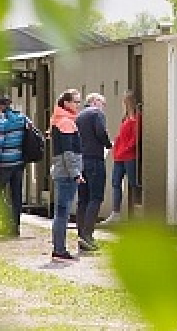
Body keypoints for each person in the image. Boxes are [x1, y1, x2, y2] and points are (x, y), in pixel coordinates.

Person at [0, 95, 29, 237]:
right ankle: (15, 227)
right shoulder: (23, 119)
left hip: (4, 165)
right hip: (19, 163)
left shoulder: (0, 123)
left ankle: (7, 220)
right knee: (16, 195)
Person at [74, 92, 110, 251]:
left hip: (81, 161)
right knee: (95, 198)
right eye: (103, 103)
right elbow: (101, 132)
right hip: (95, 159)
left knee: (83, 199)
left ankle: (81, 234)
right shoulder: (96, 113)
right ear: (95, 101)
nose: (103, 107)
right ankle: (87, 235)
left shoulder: (79, 116)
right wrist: (108, 144)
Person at [49, 89, 83, 261]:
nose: (78, 105)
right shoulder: (66, 123)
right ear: (66, 103)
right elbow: (68, 153)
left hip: (61, 171)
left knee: (60, 212)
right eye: (76, 102)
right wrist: (76, 174)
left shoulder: (58, 120)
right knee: (63, 213)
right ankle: (59, 249)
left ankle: (58, 248)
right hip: (67, 174)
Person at [109, 92, 140, 220]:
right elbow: (120, 136)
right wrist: (116, 149)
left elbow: (135, 137)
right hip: (120, 156)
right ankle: (115, 212)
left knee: (133, 183)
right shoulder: (125, 118)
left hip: (129, 156)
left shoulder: (136, 118)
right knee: (116, 183)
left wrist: (127, 148)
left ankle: (138, 211)